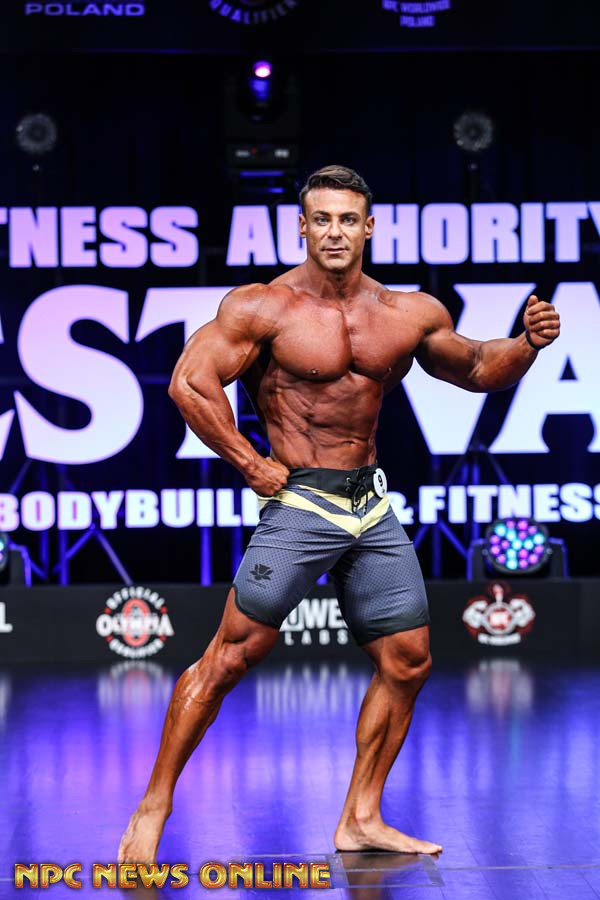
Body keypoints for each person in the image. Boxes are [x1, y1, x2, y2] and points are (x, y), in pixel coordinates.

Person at [118, 165, 560, 863]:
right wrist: (250, 462)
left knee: (408, 660)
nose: (334, 232)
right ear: (302, 226)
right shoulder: (264, 308)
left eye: (347, 220)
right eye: (321, 219)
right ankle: (153, 806)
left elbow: (477, 366)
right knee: (231, 657)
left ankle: (360, 817)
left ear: (369, 227)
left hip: (369, 503)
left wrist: (527, 344)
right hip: (301, 500)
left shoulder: (406, 311)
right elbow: (189, 383)